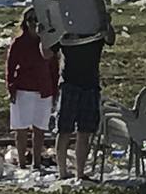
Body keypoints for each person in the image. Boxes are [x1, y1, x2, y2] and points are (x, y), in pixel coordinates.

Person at [44, 17, 116, 181]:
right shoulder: (66, 27)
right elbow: (46, 52)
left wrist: (106, 22)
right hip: (70, 83)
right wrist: (47, 32)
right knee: (64, 130)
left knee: (85, 130)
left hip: (90, 83)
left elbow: (110, 39)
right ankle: (62, 172)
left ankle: (80, 172)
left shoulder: (95, 27)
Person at [6, 7, 60, 171]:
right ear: (25, 23)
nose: (34, 25)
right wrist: (11, 88)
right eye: (31, 20)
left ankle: (36, 162)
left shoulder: (47, 44)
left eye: (37, 21)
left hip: (43, 89)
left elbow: (54, 68)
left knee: (40, 128)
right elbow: (10, 67)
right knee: (21, 129)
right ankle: (22, 163)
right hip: (23, 89)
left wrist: (55, 90)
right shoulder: (19, 43)